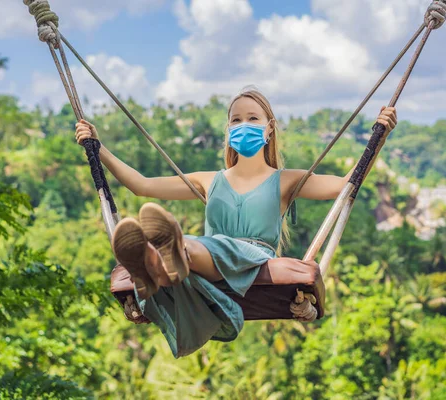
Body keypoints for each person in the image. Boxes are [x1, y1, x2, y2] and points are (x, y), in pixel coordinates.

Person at [75, 87, 397, 357]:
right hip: (204, 256)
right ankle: (158, 264)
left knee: (196, 245)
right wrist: (98, 149)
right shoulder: (208, 181)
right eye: (237, 120)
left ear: (269, 128)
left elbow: (344, 185)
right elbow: (142, 185)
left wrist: (378, 138)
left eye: (253, 118)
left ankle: (163, 256)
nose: (244, 125)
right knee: (195, 245)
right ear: (229, 131)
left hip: (251, 260)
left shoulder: (285, 181)